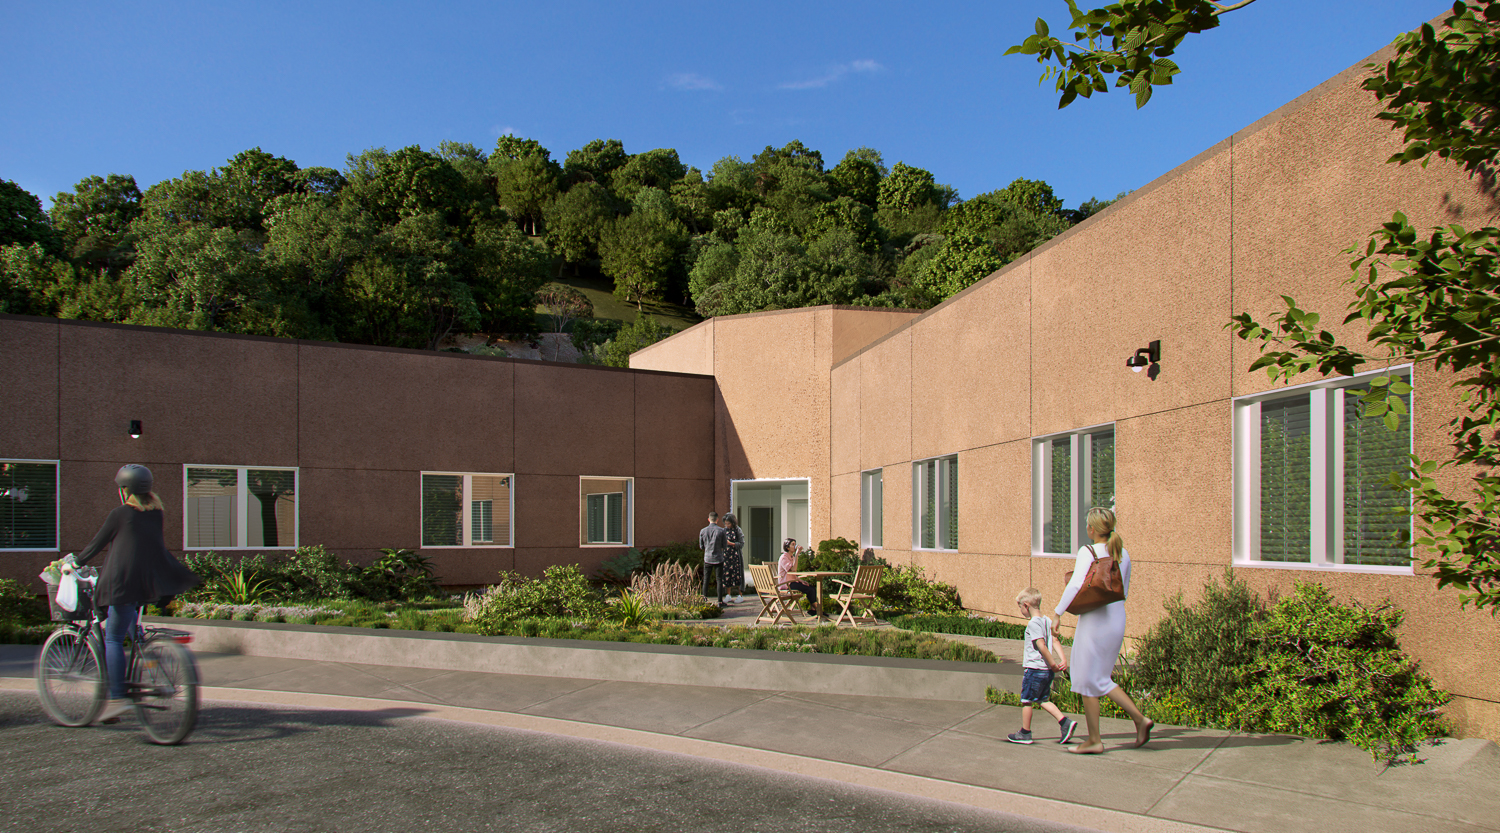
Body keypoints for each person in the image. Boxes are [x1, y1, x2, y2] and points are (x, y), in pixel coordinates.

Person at [72, 464, 200, 724]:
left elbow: (97, 544)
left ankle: (117, 698)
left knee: (113, 640)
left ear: (124, 490)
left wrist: (74, 563)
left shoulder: (120, 513)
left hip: (122, 583)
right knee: (133, 634)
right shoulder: (156, 513)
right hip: (149, 582)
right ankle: (147, 663)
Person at [1054, 507, 1152, 754]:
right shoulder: (1123, 553)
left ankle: (1096, 740)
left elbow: (1076, 584)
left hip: (1095, 619)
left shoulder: (1088, 551)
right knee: (1098, 678)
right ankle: (1138, 721)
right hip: (1116, 619)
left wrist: (1057, 613)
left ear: (1091, 529)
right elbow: (1124, 592)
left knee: (1087, 678)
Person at [1006, 587, 1078, 745]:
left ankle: (1025, 733)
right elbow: (1056, 641)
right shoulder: (1047, 621)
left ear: (1026, 605)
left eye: (1020, 607)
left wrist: (1053, 663)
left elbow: (1041, 645)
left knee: (1026, 700)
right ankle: (1065, 723)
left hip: (1035, 669)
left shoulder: (1033, 624)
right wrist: (1063, 660)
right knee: (1042, 699)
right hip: (1046, 671)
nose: (1020, 611)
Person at [776, 538, 820, 617]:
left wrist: (800, 580)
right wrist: (797, 554)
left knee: (811, 588)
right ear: (787, 547)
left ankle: (814, 610)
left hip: (791, 582)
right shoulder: (784, 558)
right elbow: (793, 570)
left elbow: (792, 574)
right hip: (786, 584)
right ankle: (819, 611)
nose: (795, 546)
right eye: (792, 544)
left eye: (795, 544)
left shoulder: (791, 557)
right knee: (809, 590)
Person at [699, 511, 727, 607]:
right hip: (718, 558)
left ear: (708, 519)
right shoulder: (721, 531)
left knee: (706, 579)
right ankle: (720, 601)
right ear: (717, 520)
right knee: (719, 580)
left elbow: (701, 546)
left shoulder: (703, 531)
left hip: (707, 558)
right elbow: (725, 545)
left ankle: (704, 598)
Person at [721, 513, 745, 605]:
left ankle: (740, 595)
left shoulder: (738, 530)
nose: (727, 525)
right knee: (727, 575)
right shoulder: (724, 531)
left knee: (737, 574)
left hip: (736, 556)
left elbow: (741, 543)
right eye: (726, 523)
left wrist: (731, 543)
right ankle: (728, 594)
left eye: (729, 524)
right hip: (726, 556)